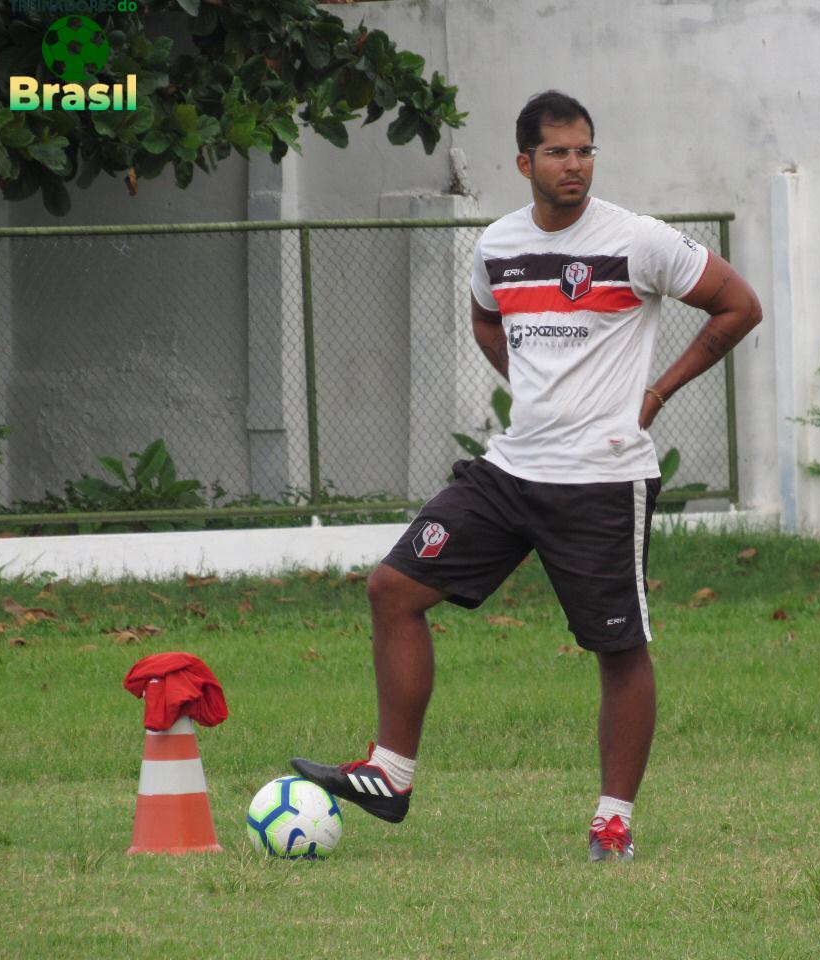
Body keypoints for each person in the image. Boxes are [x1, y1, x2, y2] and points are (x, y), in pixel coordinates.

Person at [293, 90, 762, 862]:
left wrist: (653, 394)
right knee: (393, 590)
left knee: (617, 650)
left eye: (584, 151)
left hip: (603, 480)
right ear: (525, 163)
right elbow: (484, 317)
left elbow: (738, 306)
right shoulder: (498, 246)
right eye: (558, 153)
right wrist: (533, 388)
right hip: (511, 470)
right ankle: (391, 773)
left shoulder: (638, 241)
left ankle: (613, 821)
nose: (574, 165)